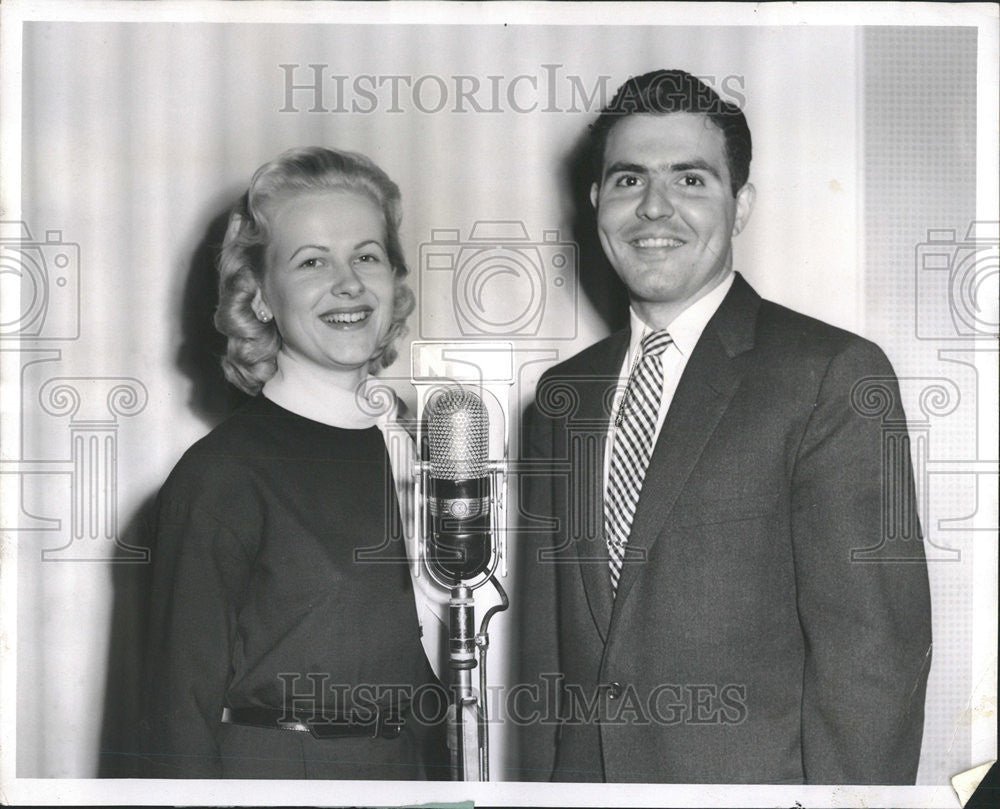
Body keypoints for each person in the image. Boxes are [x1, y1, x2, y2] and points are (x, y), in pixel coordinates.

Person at [517, 70, 932, 784]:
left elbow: (874, 661)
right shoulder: (562, 398)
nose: (654, 208)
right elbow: (547, 658)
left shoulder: (831, 374)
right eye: (627, 181)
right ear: (595, 204)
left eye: (690, 180)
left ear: (740, 206)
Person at [140, 147, 449, 779]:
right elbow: (174, 723)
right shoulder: (221, 475)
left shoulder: (426, 449)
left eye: (367, 255)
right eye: (312, 261)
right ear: (258, 298)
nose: (349, 282)